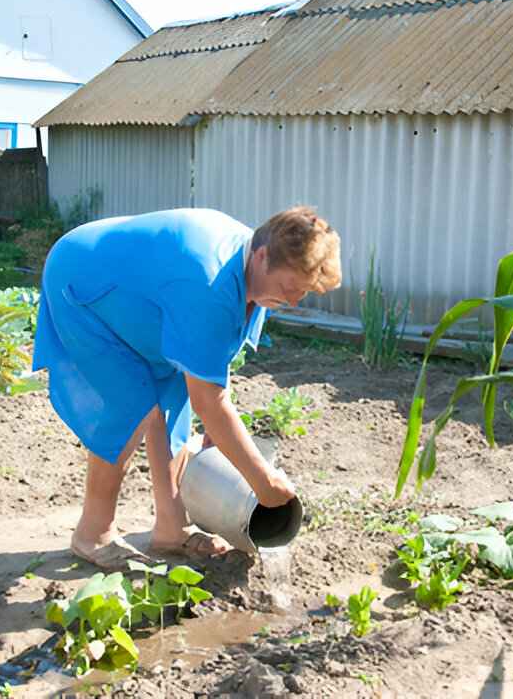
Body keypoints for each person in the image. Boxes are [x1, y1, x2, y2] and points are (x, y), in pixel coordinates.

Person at [32, 206, 342, 563]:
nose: (291, 301)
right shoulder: (208, 279)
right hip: (83, 278)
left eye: (302, 293)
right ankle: (93, 533)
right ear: (261, 256)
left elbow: (209, 365)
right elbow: (210, 402)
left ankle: (171, 528)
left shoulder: (256, 276)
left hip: (140, 292)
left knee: (174, 392)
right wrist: (265, 484)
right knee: (131, 403)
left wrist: (221, 431)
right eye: (290, 287)